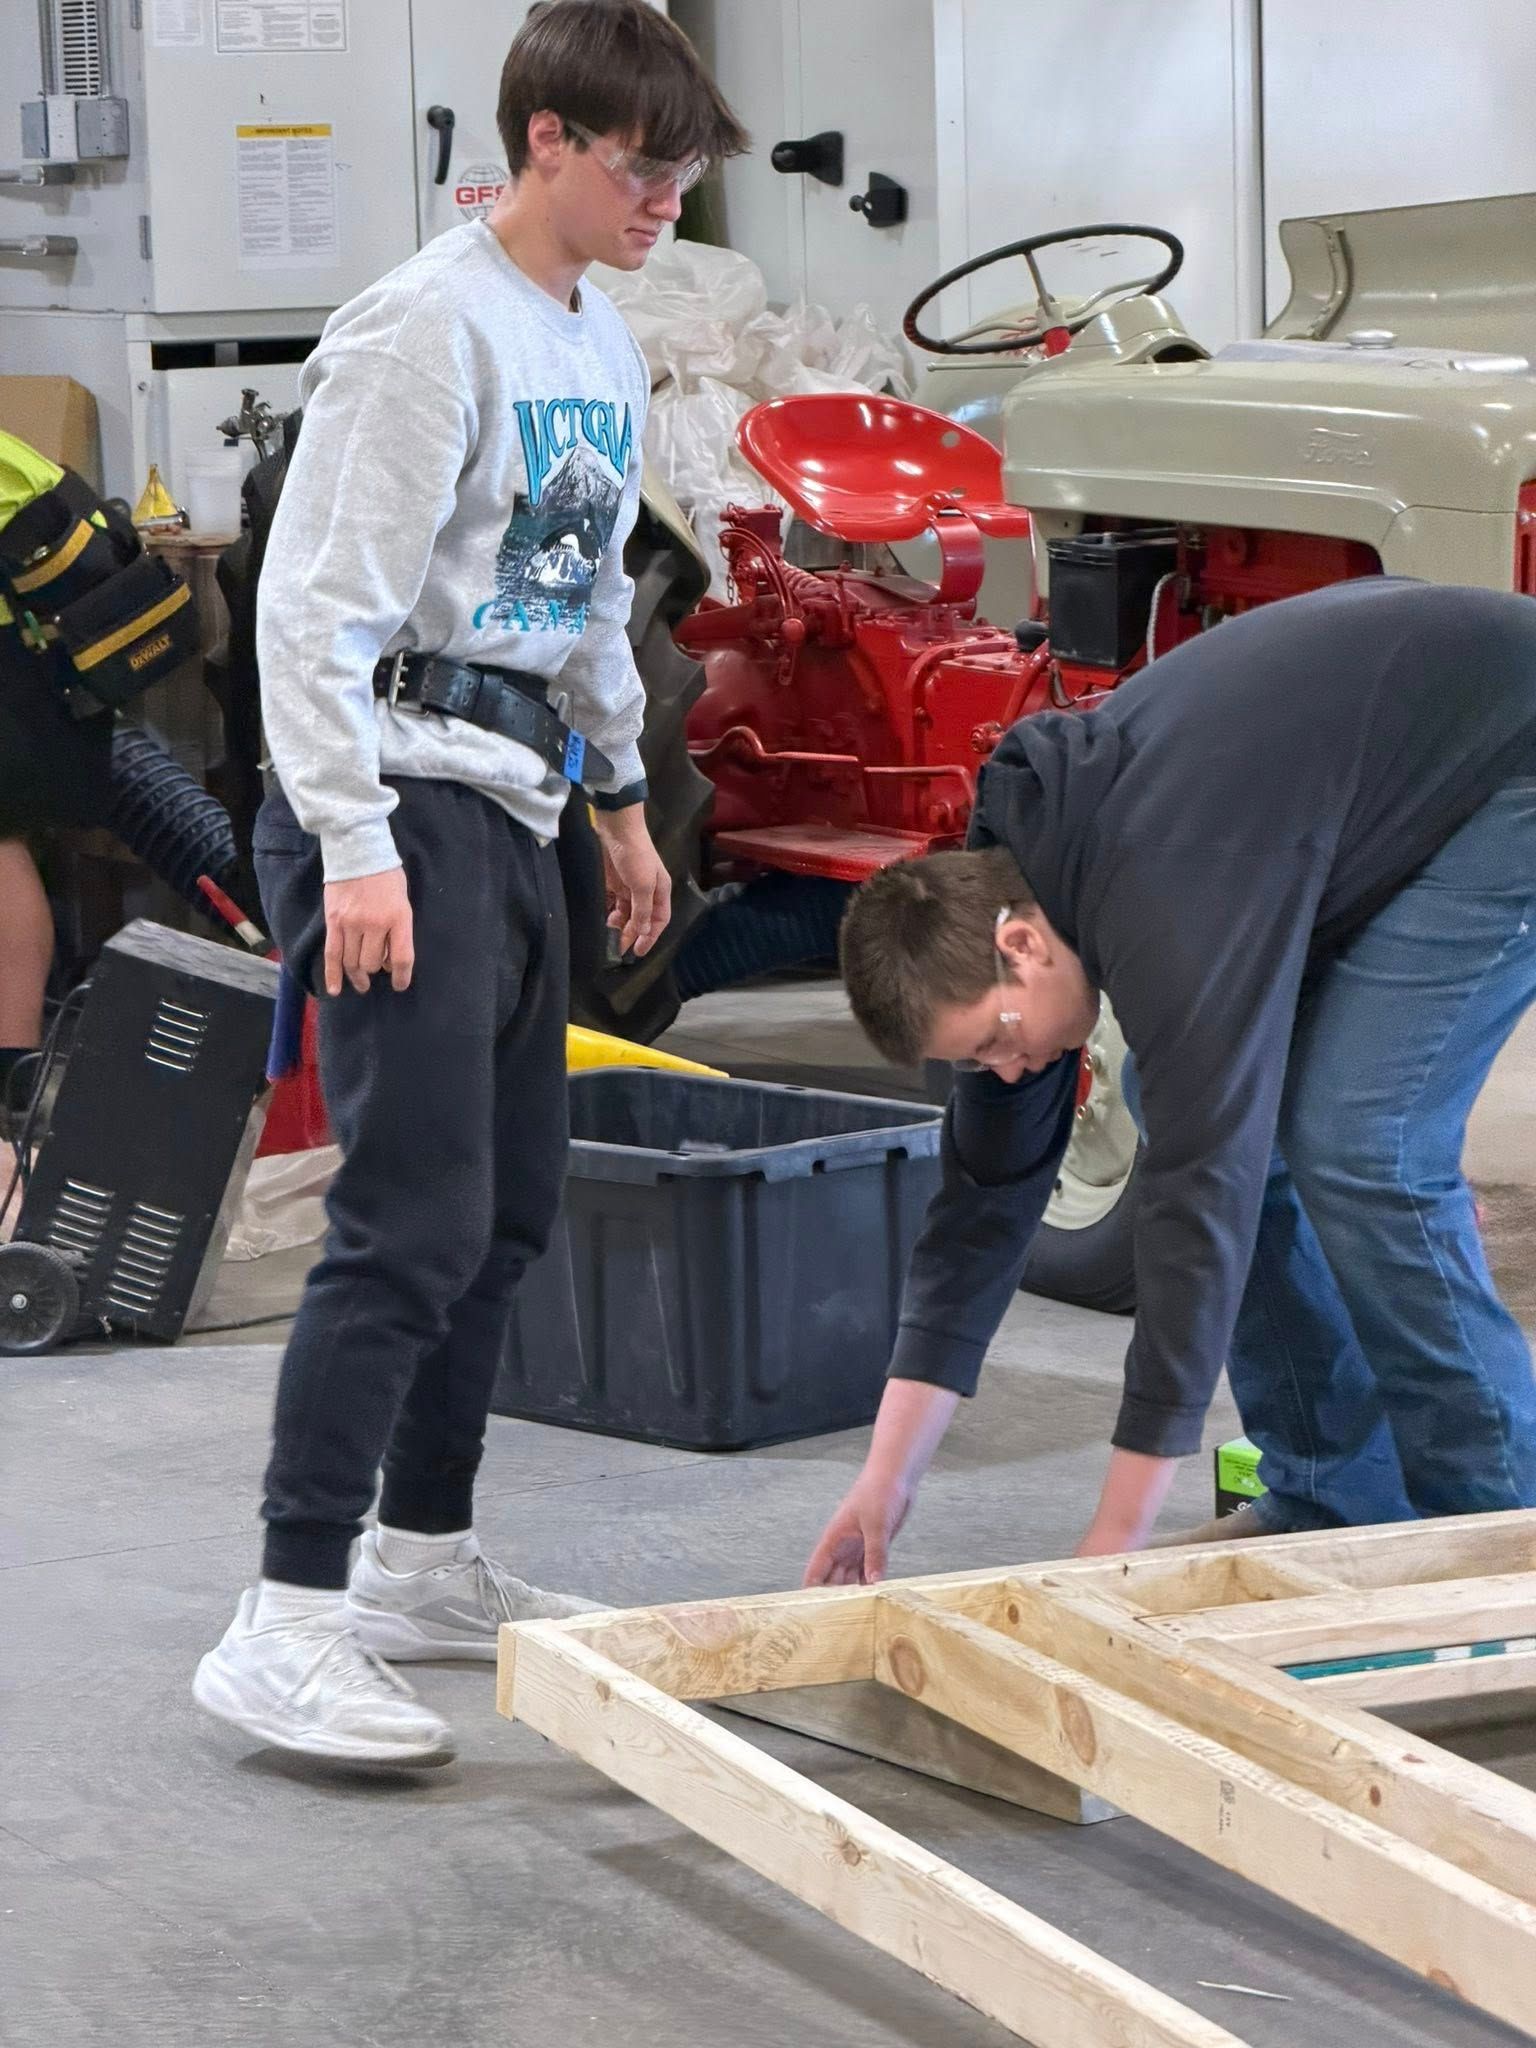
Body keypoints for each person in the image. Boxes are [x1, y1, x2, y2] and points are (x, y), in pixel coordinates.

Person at [193, 0, 747, 1766]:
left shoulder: (594, 340)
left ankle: (420, 1559)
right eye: (644, 165)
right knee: (409, 1218)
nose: (668, 197)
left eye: (686, 171)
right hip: (394, 802)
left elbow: (585, 600)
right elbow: (314, 607)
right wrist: (348, 839)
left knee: (504, 1213)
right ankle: (283, 1617)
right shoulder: (424, 330)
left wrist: (623, 799)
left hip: (513, 804)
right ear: (550, 146)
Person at [806, 577, 1536, 1586]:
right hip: (1380, 782)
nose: (1006, 1070)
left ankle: (1502, 1539)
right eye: (980, 1062)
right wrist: (883, 1485)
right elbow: (980, 1206)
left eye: (996, 1043)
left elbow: (1206, 1191)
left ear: (1018, 947)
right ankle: (1333, 1490)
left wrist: (1113, 1552)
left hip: (1511, 756)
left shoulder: (1153, 883)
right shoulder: (1013, 889)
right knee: (1175, 1099)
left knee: (1363, 1142)